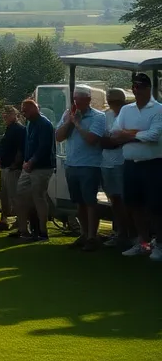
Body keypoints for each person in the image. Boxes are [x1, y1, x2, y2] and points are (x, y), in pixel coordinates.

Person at [110, 72, 162, 259]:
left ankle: (160, 245)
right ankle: (144, 243)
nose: (136, 90)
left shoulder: (158, 109)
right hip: (131, 165)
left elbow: (153, 136)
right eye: (134, 87)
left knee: (155, 207)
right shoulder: (126, 110)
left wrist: (129, 135)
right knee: (134, 205)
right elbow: (114, 133)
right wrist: (138, 134)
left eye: (140, 87)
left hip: (153, 165)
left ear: (148, 88)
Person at [56, 84, 108, 251]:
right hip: (72, 164)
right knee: (79, 202)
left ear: (88, 100)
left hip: (90, 165)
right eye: (74, 99)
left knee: (90, 202)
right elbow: (58, 137)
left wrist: (77, 124)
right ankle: (84, 234)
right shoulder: (68, 115)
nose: (76, 102)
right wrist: (69, 123)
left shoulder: (98, 117)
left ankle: (93, 236)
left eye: (79, 99)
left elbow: (92, 139)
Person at [13, 98, 55, 242]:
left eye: (26, 110)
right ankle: (24, 230)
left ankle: (43, 232)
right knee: (20, 195)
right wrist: (25, 160)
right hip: (29, 166)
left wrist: (31, 161)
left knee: (38, 196)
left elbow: (44, 147)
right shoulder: (30, 124)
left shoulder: (45, 124)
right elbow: (28, 145)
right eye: (23, 110)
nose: (24, 113)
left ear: (35, 108)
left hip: (42, 167)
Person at [100, 88, 131, 249]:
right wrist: (113, 140)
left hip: (123, 162)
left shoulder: (129, 114)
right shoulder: (106, 115)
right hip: (106, 162)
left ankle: (131, 234)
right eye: (110, 100)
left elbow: (125, 138)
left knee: (126, 200)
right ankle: (120, 233)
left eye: (114, 101)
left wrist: (114, 140)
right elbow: (102, 138)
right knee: (114, 200)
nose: (112, 104)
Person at [0, 105, 26, 232]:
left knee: (15, 196)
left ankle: (20, 222)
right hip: (6, 166)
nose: (4, 115)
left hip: (13, 169)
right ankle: (4, 220)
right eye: (4, 113)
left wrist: (15, 164)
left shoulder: (19, 129)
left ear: (15, 115)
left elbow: (20, 149)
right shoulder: (9, 128)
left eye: (8, 113)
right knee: (4, 196)